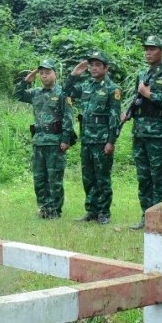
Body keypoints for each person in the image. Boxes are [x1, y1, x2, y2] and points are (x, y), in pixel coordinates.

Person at [122, 35, 162, 230]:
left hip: (157, 132)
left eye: (153, 49)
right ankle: (146, 216)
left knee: (159, 177)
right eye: (146, 49)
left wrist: (151, 95)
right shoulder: (142, 74)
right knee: (143, 177)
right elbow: (136, 99)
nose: (148, 52)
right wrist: (128, 112)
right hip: (139, 132)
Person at [64, 50, 122, 225]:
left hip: (102, 140)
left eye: (98, 65)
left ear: (106, 68)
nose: (94, 68)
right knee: (88, 177)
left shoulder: (113, 89)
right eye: (92, 65)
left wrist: (111, 141)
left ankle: (104, 212)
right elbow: (66, 92)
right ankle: (91, 210)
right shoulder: (87, 86)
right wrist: (74, 75)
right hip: (87, 140)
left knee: (102, 177)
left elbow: (114, 117)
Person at [15, 59, 77, 219]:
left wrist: (65, 139)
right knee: (39, 178)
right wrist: (26, 81)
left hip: (55, 142)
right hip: (39, 141)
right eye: (41, 73)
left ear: (55, 74)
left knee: (54, 179)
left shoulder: (63, 93)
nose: (44, 76)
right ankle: (43, 208)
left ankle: (55, 210)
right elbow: (18, 95)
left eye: (48, 73)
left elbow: (68, 118)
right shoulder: (36, 93)